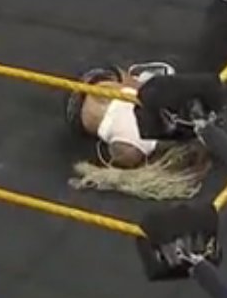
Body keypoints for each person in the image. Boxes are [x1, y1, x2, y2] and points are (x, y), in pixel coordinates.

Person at [63, 62, 212, 199]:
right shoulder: (136, 150)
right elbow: (116, 152)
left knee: (140, 87)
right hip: (80, 113)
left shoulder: (157, 104)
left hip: (91, 90)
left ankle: (140, 81)